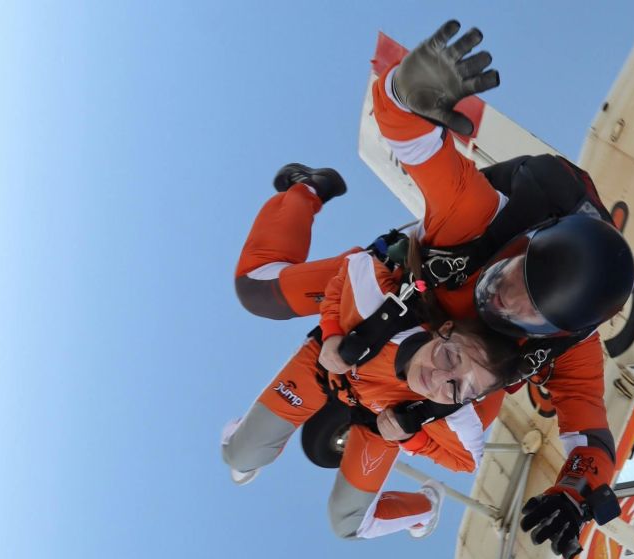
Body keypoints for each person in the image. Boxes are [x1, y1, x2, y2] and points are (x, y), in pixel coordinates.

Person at [231, 21, 634, 559]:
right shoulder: (477, 221)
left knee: (340, 515)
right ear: (524, 242)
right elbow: (417, 143)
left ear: (555, 330)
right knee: (256, 292)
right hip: (395, 284)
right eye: (514, 277)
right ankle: (308, 187)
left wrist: (575, 491)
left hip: (392, 396)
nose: (506, 304)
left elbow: (590, 435)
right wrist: (405, 90)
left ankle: (422, 507)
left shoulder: (569, 346)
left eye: (529, 313)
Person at [224, 210, 522, 538]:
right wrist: (333, 331)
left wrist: (411, 435)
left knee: (348, 523)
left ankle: (425, 508)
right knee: (241, 453)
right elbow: (351, 269)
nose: (437, 377)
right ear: (443, 331)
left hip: (378, 421)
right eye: (447, 357)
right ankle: (245, 440)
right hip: (328, 366)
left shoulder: (453, 408)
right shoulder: (379, 312)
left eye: (454, 387)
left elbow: (466, 460)